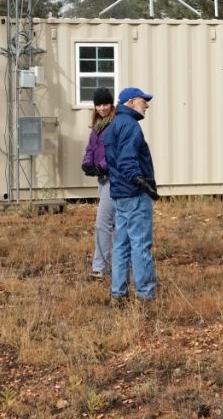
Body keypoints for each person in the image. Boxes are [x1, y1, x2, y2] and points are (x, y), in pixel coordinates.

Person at [102, 87, 160, 304]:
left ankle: (118, 292)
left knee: (121, 244)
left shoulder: (114, 125)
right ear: (131, 102)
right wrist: (142, 182)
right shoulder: (130, 125)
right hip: (134, 194)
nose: (147, 105)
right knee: (140, 244)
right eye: (144, 101)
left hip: (118, 193)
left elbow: (113, 161)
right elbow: (127, 160)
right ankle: (145, 294)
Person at [81, 87, 116, 281]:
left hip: (112, 179)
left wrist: (102, 167)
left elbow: (115, 152)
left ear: (111, 105)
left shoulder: (115, 124)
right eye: (98, 104)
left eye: (105, 104)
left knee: (103, 224)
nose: (102, 107)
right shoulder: (97, 126)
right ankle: (114, 267)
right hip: (103, 180)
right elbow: (91, 148)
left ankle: (100, 268)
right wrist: (87, 163)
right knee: (115, 225)